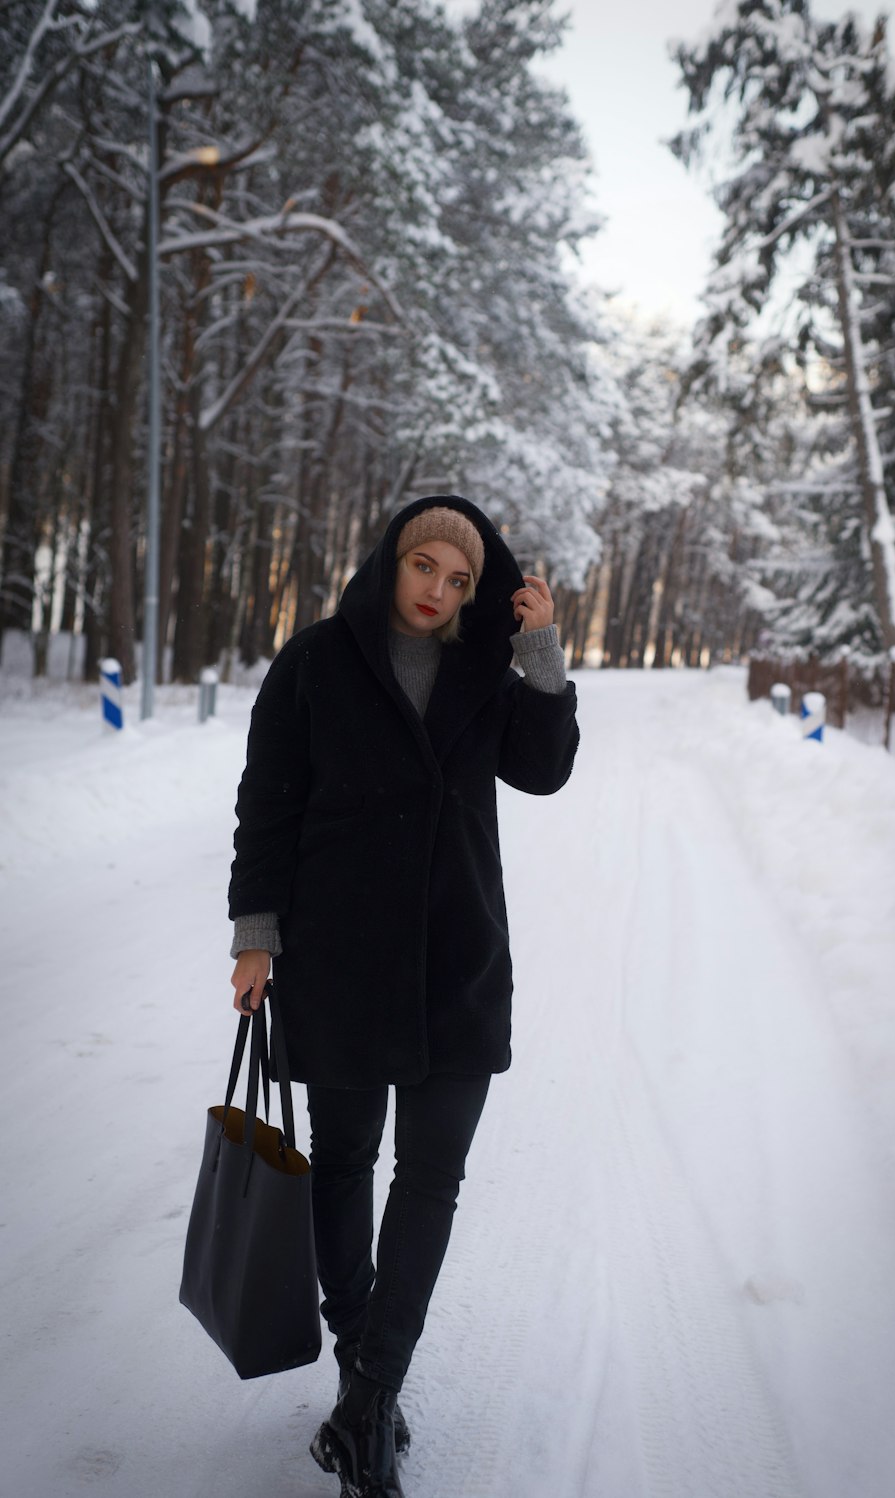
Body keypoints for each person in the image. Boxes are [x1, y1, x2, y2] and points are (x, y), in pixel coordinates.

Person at [228, 495, 579, 1498]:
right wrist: (255, 938)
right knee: (341, 1163)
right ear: (391, 559)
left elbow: (544, 770)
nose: (437, 591)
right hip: (337, 955)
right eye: (424, 565)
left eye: (459, 580)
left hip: (457, 959)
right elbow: (268, 802)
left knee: (431, 1176)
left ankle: (370, 1400)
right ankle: (362, 1380)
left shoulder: (483, 669)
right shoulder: (315, 662)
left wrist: (540, 649)